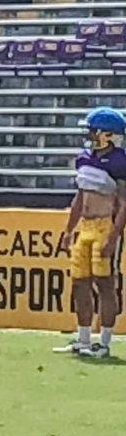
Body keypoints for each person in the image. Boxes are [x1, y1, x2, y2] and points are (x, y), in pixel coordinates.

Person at [53, 107, 126, 358]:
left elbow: (124, 201)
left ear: (108, 134)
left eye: (93, 130)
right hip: (85, 226)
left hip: (105, 225)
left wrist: (114, 236)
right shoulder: (84, 157)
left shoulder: (120, 161)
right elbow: (80, 197)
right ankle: (83, 338)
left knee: (105, 284)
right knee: (79, 283)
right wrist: (68, 230)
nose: (89, 134)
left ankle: (104, 343)